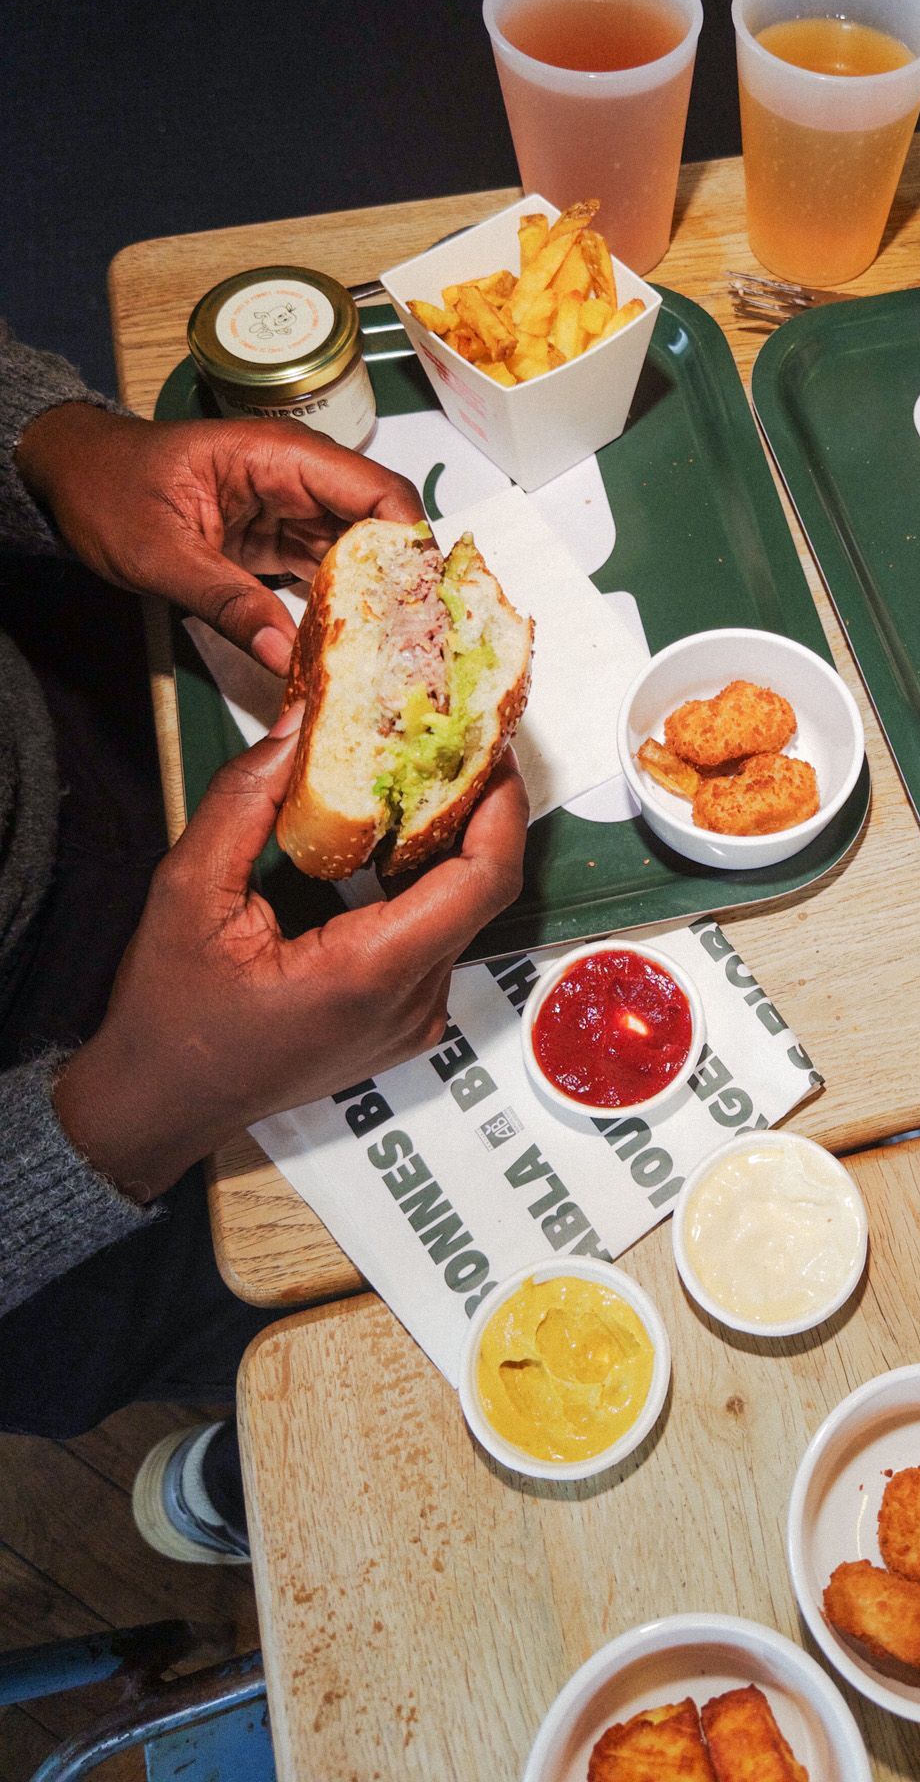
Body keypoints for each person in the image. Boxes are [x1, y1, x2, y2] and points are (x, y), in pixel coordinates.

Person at [0, 319, 529, 1561]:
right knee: (356, 1290)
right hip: (58, 1158)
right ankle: (252, 1476)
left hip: (66, 661)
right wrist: (130, 1115)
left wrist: (49, 444)